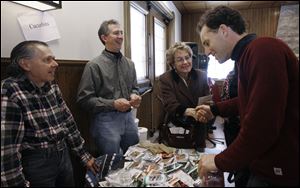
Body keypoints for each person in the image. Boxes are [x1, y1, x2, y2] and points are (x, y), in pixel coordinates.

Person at [196, 6, 299, 186]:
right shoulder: (246, 56)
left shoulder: (263, 49)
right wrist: (215, 109)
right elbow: (249, 101)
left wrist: (218, 161)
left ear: (223, 31)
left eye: (207, 42)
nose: (206, 52)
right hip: (261, 162)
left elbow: (263, 126)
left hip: (278, 170)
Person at [1, 41, 98, 187]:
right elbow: (7, 148)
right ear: (25, 64)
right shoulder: (10, 90)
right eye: (47, 60)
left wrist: (84, 155)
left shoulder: (51, 85)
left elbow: (68, 122)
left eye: (53, 58)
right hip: (36, 162)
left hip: (62, 153)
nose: (55, 64)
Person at [77, 19, 141, 155]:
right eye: (116, 33)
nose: (120, 36)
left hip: (129, 118)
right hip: (105, 121)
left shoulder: (130, 64)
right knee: (112, 163)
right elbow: (84, 100)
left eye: (122, 33)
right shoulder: (94, 65)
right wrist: (113, 104)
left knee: (133, 157)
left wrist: (134, 95)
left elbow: (135, 88)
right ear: (104, 38)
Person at [158, 42, 210, 151]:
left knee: (198, 160)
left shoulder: (202, 76)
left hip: (198, 126)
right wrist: (190, 112)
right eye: (180, 59)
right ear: (172, 63)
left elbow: (207, 99)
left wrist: (205, 112)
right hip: (177, 127)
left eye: (187, 58)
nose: (185, 62)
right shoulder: (166, 79)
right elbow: (170, 104)